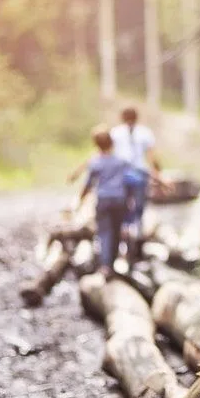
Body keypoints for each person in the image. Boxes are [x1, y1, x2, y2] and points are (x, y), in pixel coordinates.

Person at [69, 106, 166, 234]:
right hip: (128, 172)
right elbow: (151, 156)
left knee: (132, 201)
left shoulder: (123, 132)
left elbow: (99, 154)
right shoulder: (130, 132)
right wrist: (158, 173)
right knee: (134, 201)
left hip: (131, 173)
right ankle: (132, 225)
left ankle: (133, 225)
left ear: (122, 118)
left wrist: (78, 172)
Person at [78, 127, 130, 276]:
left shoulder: (95, 162)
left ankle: (106, 266)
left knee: (104, 232)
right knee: (116, 232)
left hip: (103, 200)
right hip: (119, 200)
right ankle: (112, 265)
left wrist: (80, 201)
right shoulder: (120, 162)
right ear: (112, 143)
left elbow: (87, 185)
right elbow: (131, 179)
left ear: (96, 145)